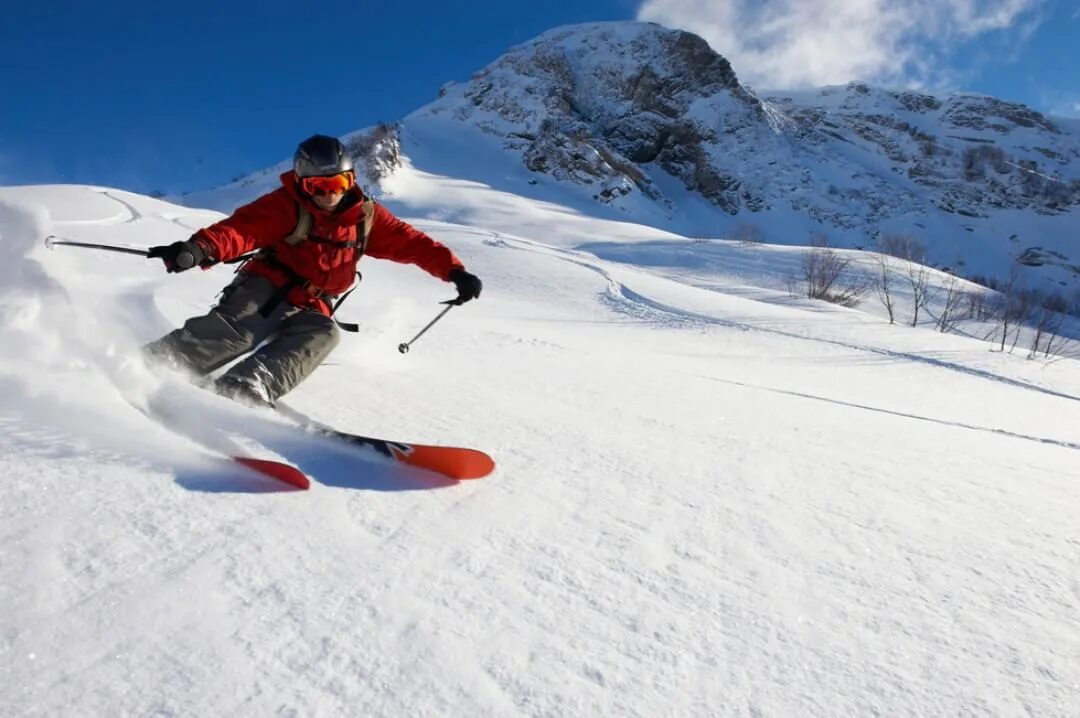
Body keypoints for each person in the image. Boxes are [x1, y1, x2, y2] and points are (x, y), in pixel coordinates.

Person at [143, 134, 482, 407]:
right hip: (269, 285)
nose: (330, 195)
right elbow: (243, 229)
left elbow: (413, 244)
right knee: (241, 333)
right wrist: (200, 248)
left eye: (338, 183)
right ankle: (161, 362)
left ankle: (248, 383)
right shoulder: (286, 205)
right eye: (318, 188)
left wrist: (454, 272)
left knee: (324, 334)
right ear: (302, 184)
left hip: (315, 303)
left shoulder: (367, 217)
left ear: (351, 180)